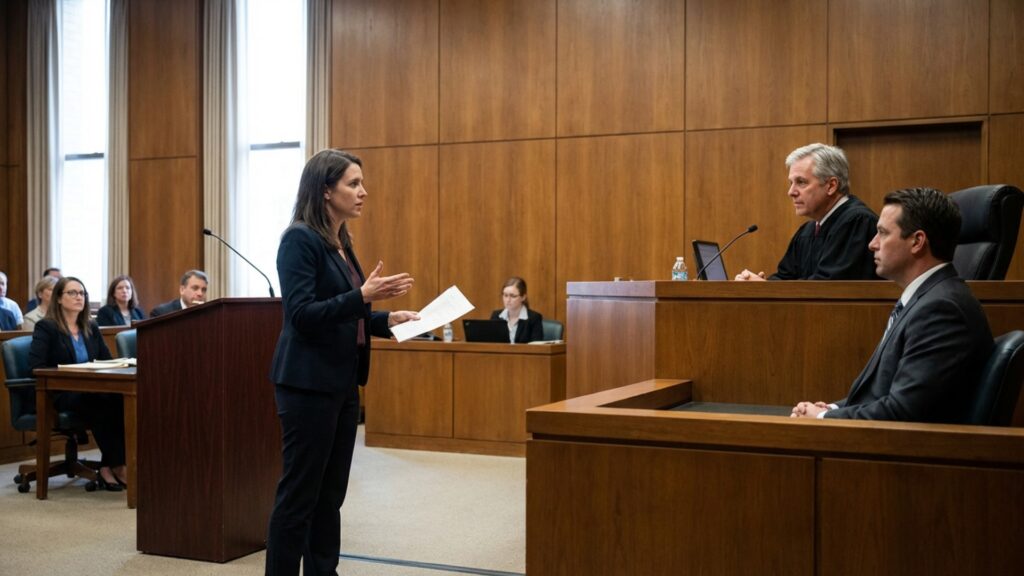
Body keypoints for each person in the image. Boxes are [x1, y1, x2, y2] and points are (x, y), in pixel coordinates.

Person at [265, 149, 419, 576]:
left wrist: (387, 319)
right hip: (306, 384)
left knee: (330, 494)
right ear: (325, 189)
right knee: (299, 494)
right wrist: (363, 297)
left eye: (362, 183)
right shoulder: (299, 239)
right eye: (353, 184)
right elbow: (302, 315)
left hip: (342, 382)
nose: (363, 192)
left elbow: (346, 313)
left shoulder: (340, 242)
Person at [791, 188, 994, 423]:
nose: (872, 244)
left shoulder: (941, 310)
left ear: (917, 242)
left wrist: (824, 417)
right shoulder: (925, 299)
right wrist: (833, 408)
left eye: (882, 233)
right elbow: (882, 394)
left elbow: (903, 412)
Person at [29, 277, 128, 490]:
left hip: (92, 390)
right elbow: (36, 366)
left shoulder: (90, 326)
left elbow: (107, 359)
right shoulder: (46, 327)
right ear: (58, 299)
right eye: (72, 293)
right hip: (61, 393)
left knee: (121, 398)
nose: (78, 297)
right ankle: (118, 466)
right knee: (101, 401)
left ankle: (107, 466)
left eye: (82, 293)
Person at [735, 143, 880, 281]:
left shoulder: (857, 222)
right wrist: (759, 285)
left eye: (801, 182)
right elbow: (785, 277)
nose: (791, 192)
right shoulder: (808, 230)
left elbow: (829, 287)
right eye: (791, 183)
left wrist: (767, 290)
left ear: (831, 185)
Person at [489, 276, 544, 343]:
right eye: (505, 295)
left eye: (513, 296)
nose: (508, 300)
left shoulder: (534, 318)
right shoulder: (496, 316)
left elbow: (537, 347)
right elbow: (491, 343)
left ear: (523, 297)